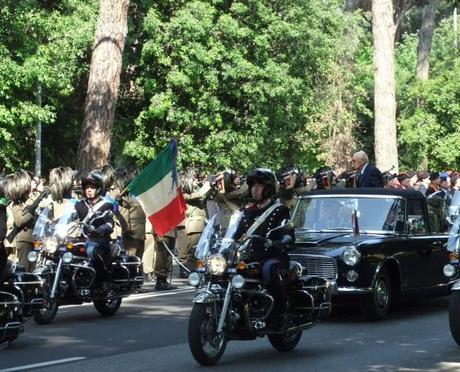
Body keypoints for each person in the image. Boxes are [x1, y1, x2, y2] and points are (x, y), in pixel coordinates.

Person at [234, 168, 294, 329]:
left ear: (268, 188)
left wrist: (282, 240)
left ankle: (280, 313)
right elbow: (235, 233)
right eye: (253, 185)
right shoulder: (246, 212)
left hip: (272, 255)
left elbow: (288, 232)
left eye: (259, 186)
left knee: (269, 269)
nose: (255, 189)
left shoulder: (279, 210)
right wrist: (221, 240)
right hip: (249, 257)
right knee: (225, 270)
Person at [75, 170, 115, 290]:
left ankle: (104, 280)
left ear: (98, 188)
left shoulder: (106, 205)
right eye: (87, 187)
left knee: (92, 250)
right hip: (82, 239)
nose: (89, 190)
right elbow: (70, 219)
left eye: (92, 187)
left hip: (100, 240)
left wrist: (101, 229)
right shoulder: (79, 205)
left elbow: (109, 222)